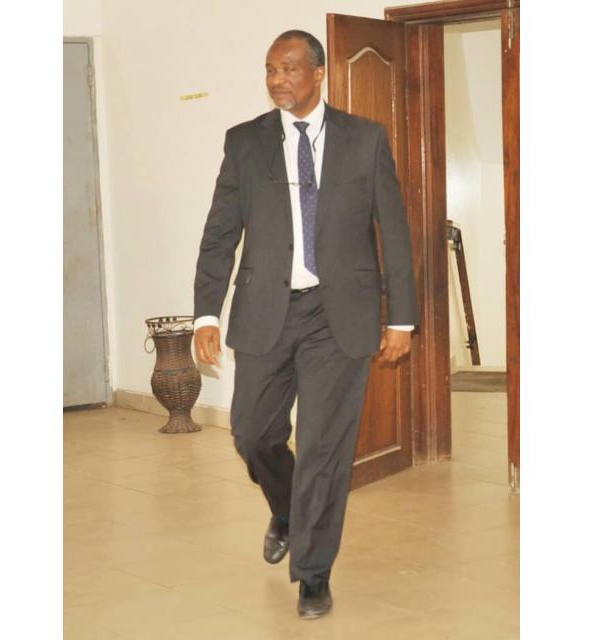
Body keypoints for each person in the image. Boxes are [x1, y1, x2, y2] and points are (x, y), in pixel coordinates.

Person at [193, 29, 417, 619]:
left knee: (324, 446)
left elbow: (393, 231)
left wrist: (401, 318)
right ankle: (289, 509)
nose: (278, 79)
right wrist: (206, 312)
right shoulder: (245, 142)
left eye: (290, 68)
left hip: (340, 315)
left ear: (319, 74)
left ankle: (313, 572)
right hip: (265, 311)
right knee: (252, 433)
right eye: (271, 69)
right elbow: (220, 232)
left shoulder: (365, 139)